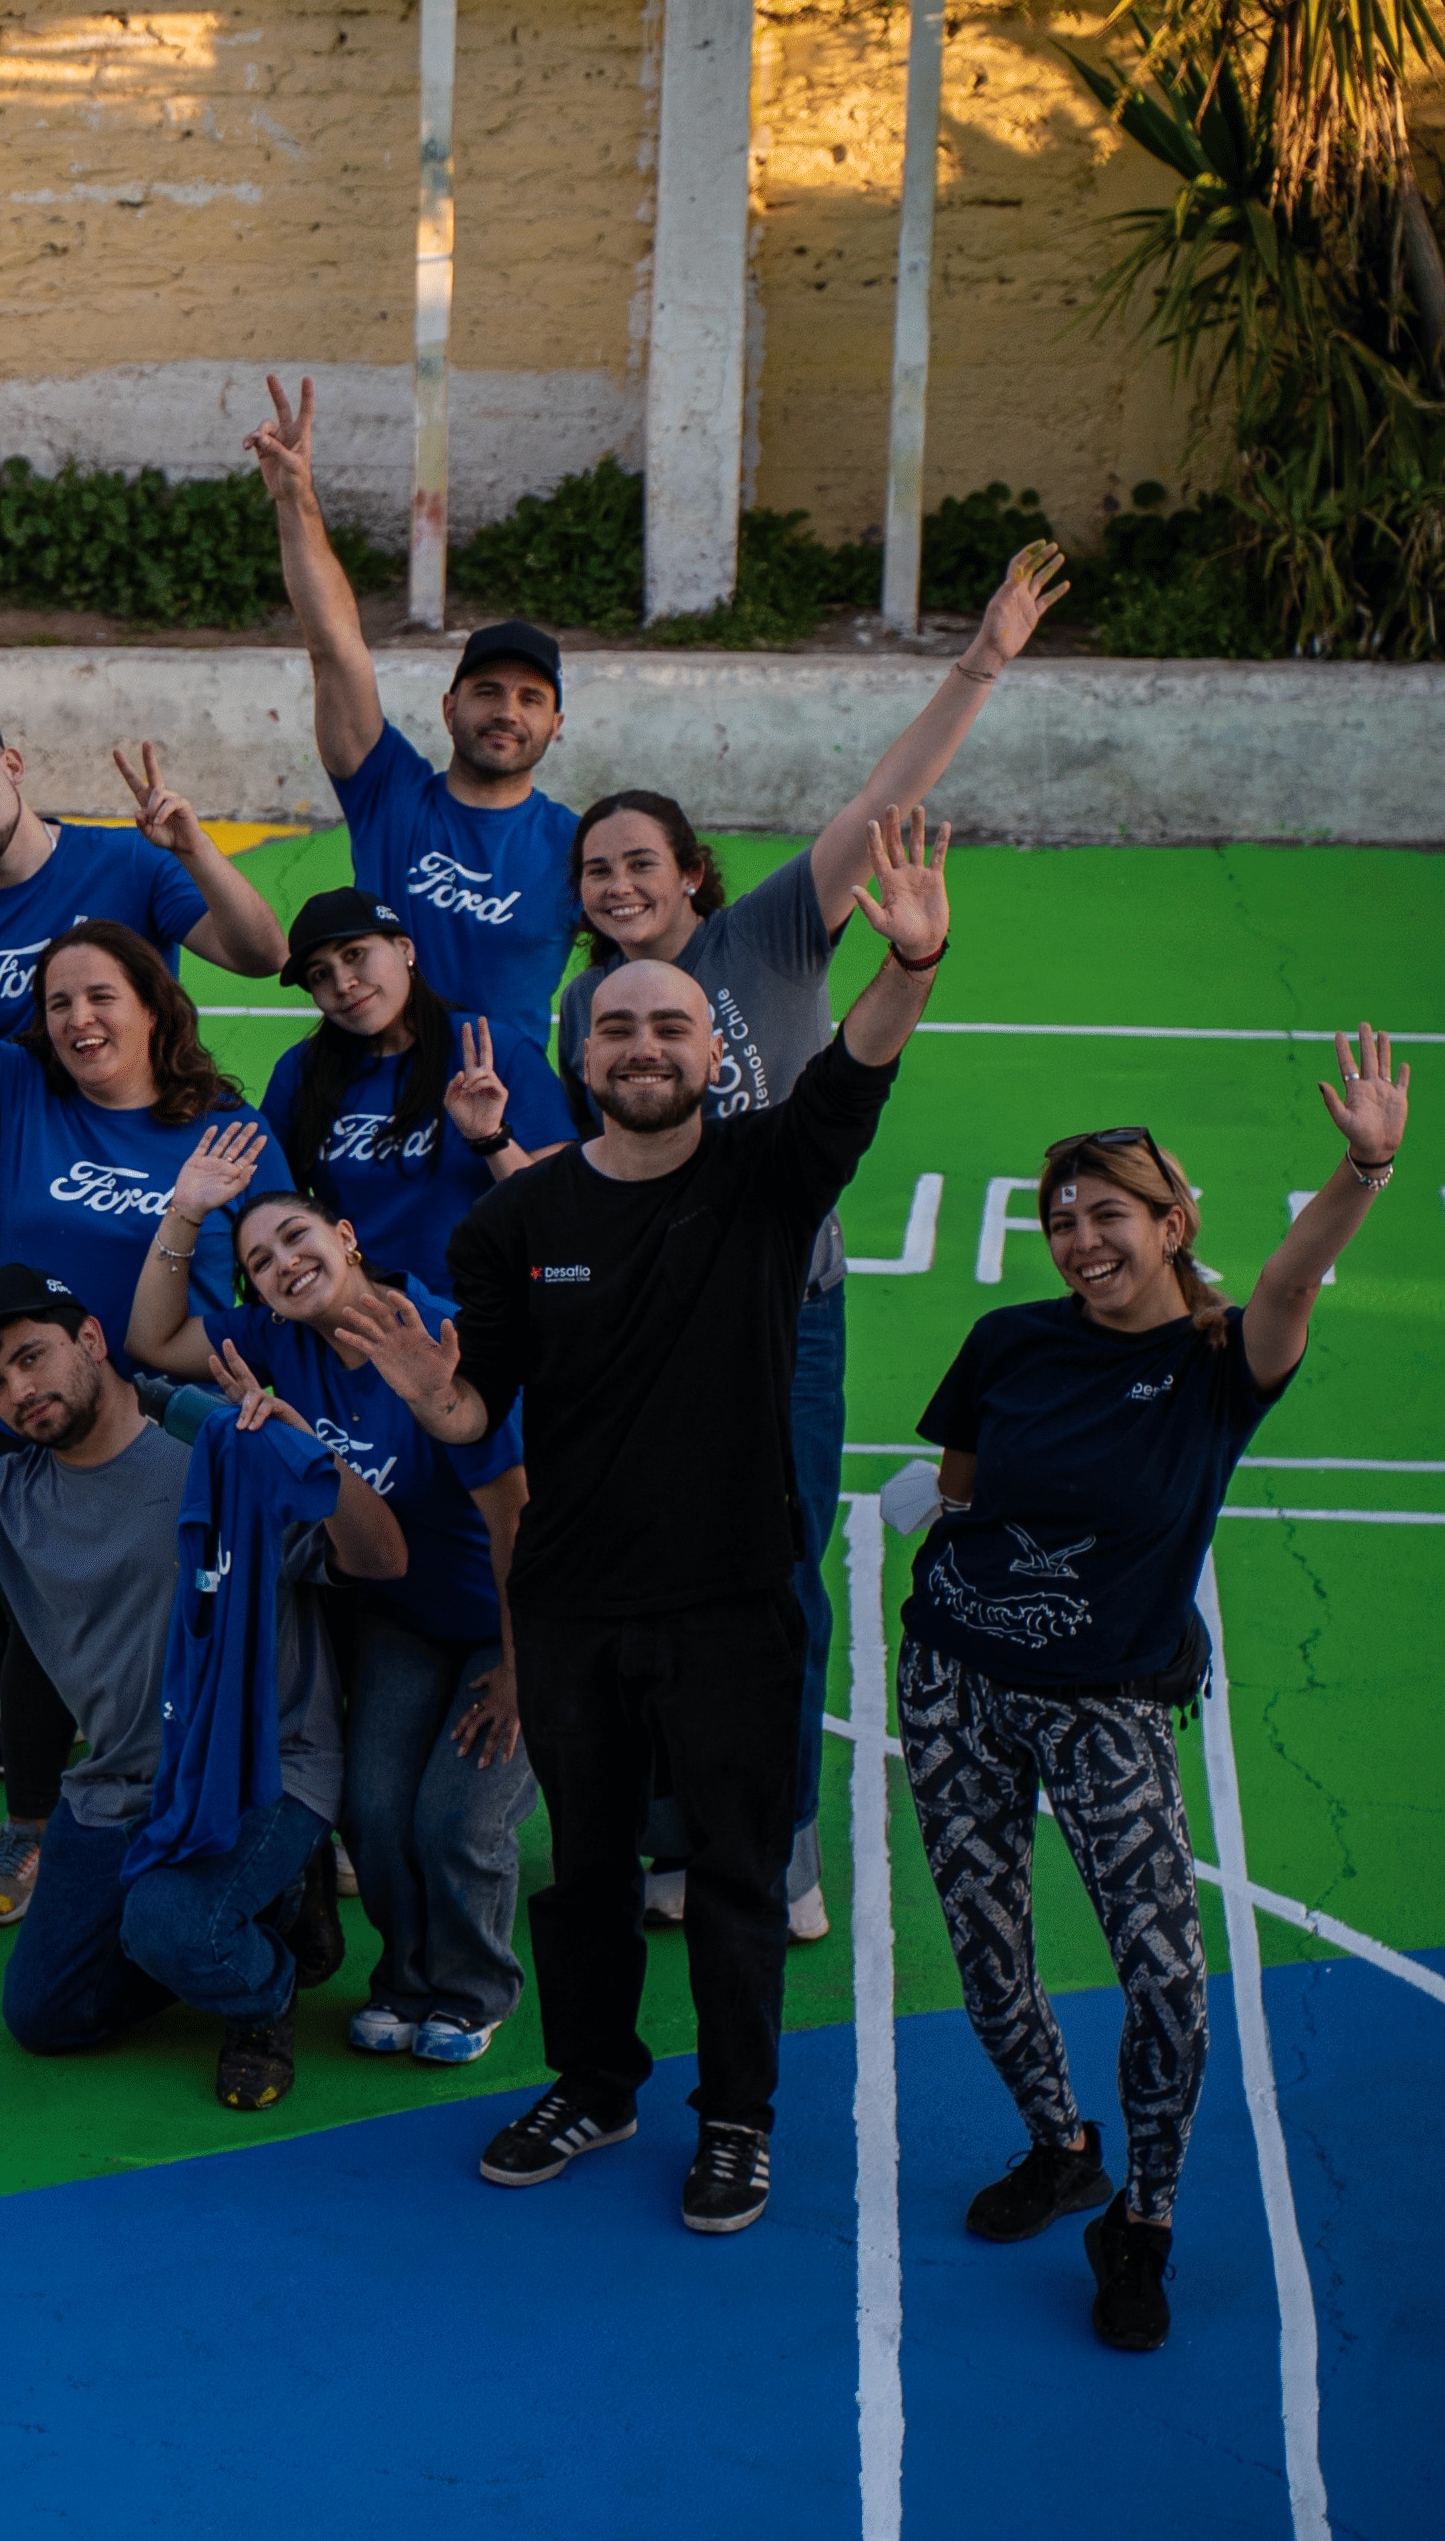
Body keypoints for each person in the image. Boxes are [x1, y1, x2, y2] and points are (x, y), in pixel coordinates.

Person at [339, 806, 955, 2237]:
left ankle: (733, 2115)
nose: (646, 1048)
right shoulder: (515, 1224)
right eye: (618, 1031)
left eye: (673, 1028)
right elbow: (475, 1408)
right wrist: (429, 1388)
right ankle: (597, 2082)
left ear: (709, 1052)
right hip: (572, 1599)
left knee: (737, 1877)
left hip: (735, 1596)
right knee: (589, 1869)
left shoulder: (767, 1175)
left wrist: (913, 964)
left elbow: (855, 1070)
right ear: (581, 1057)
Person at [552, 540, 1064, 1942]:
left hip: (785, 1319)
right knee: (652, 1571)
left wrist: (983, 660)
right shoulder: (583, 1010)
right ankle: (668, 1827)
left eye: (638, 862)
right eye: (594, 869)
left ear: (692, 875)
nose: (614, 884)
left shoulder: (773, 935)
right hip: (645, 1332)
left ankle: (775, 1842)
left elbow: (886, 796)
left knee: (772, 1582)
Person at [897, 1039, 1402, 2352]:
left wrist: (1365, 1165)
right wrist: (958, 1534)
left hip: (1106, 1707)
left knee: (1168, 1984)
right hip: (953, 1678)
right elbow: (957, 1480)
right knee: (988, 1950)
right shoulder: (1010, 1340)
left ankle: (1146, 2220)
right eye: (1060, 1220)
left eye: (1106, 1213)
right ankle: (1060, 2147)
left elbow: (1293, 1275)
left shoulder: (1221, 1364)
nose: (1078, 1239)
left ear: (1172, 1223)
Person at [0, 1271, 399, 2107]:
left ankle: (264, 1993)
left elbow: (380, 1559)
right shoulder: (5, 1500)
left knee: (168, 1927)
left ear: (92, 1341)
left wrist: (309, 1457)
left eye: (30, 1357)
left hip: (262, 1770)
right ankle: (252, 1912)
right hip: (117, 1788)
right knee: (46, 2017)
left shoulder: (214, 1448)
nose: (19, 1391)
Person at [0, 876, 292, 1923]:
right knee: (40, 1626)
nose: (76, 1018)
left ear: (155, 1007)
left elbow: (285, 1277)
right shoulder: (22, 1096)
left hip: (180, 1427)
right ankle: (31, 1826)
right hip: (51, 1422)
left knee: (216, 1624)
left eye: (100, 996)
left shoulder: (227, 1132)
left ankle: (271, 1824)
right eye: (58, 1001)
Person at [0, 711, 290, 1822]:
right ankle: (34, 1713)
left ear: (11, 764)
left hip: (139, 1215)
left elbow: (262, 951)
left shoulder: (121, 864)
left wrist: (191, 845)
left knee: (175, 1526)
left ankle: (198, 1727)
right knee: (17, 1495)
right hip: (15, 1212)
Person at [122, 1143, 536, 2064]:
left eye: (296, 1238)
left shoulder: (431, 1334)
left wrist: (520, 1666)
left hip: (518, 1617)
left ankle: (471, 1989)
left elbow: (514, 1516)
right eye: (261, 1263)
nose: (282, 1265)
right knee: (377, 1809)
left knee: (456, 1820)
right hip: (404, 1615)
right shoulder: (274, 1341)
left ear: (346, 1238)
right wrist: (186, 1209)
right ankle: (405, 1980)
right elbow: (149, 1341)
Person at [246, 378, 582, 1044]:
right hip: (370, 1086)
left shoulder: (577, 848)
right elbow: (335, 651)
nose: (506, 711)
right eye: (487, 691)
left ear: (556, 726)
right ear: (450, 707)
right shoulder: (389, 796)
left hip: (499, 1103)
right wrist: (297, 500)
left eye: (530, 698)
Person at [258, 885, 574, 1296]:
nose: (343, 982)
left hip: (486, 1315)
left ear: (405, 949)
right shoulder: (299, 1073)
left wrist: (489, 1138)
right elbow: (267, 1212)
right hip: (359, 1319)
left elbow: (560, 1213)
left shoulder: (492, 1051)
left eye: (354, 954)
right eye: (320, 975)